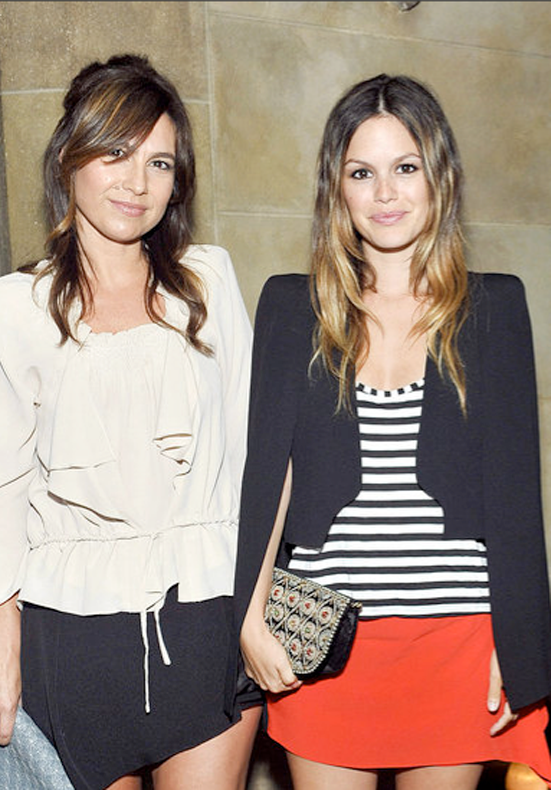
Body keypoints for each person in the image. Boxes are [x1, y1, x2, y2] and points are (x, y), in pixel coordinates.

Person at [232, 73, 551, 789]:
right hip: (325, 643)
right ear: (336, 189)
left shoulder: (494, 308)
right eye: (361, 173)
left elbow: (515, 497)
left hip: (458, 641)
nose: (385, 193)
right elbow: (268, 479)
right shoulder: (293, 309)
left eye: (405, 168)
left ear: (439, 176)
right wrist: (249, 618)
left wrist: (520, 643)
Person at [0, 53, 262, 790]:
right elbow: (2, 490)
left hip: (207, 614)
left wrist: (255, 609)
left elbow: (252, 454)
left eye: (159, 162)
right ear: (70, 157)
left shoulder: (209, 281)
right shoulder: (12, 308)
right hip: (72, 637)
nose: (137, 182)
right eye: (117, 153)